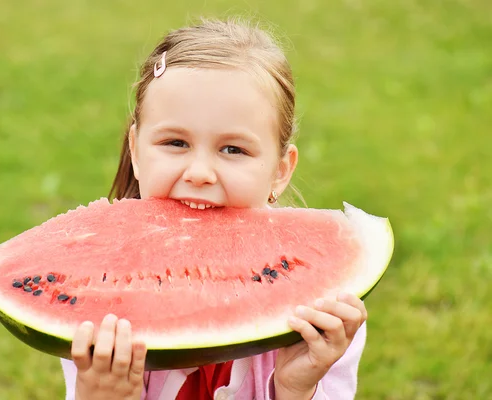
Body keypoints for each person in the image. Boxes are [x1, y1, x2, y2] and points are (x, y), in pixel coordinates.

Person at [61, 18, 368, 400]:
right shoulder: (96, 291)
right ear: (136, 150)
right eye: (175, 142)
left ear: (280, 170)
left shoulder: (324, 308)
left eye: (233, 149)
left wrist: (296, 388)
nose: (201, 172)